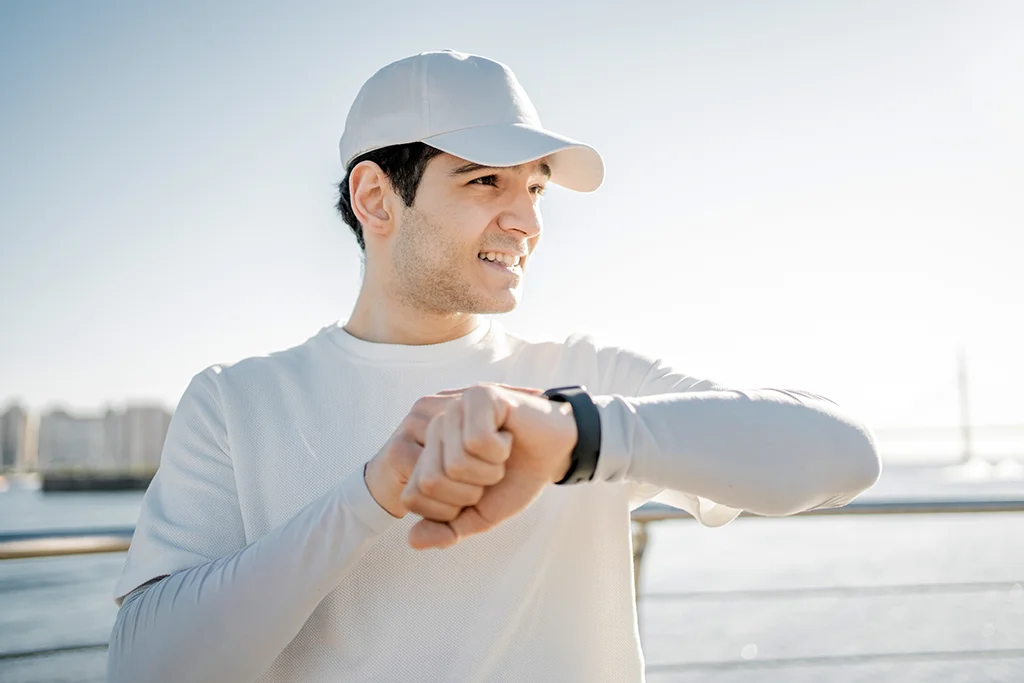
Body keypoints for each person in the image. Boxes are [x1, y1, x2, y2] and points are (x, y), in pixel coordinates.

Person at [106, 50, 881, 683]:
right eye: (486, 181)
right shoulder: (234, 401)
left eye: (536, 188)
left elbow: (846, 456)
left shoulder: (579, 376)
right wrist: (373, 494)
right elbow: (144, 667)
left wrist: (580, 435)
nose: (529, 220)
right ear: (376, 199)